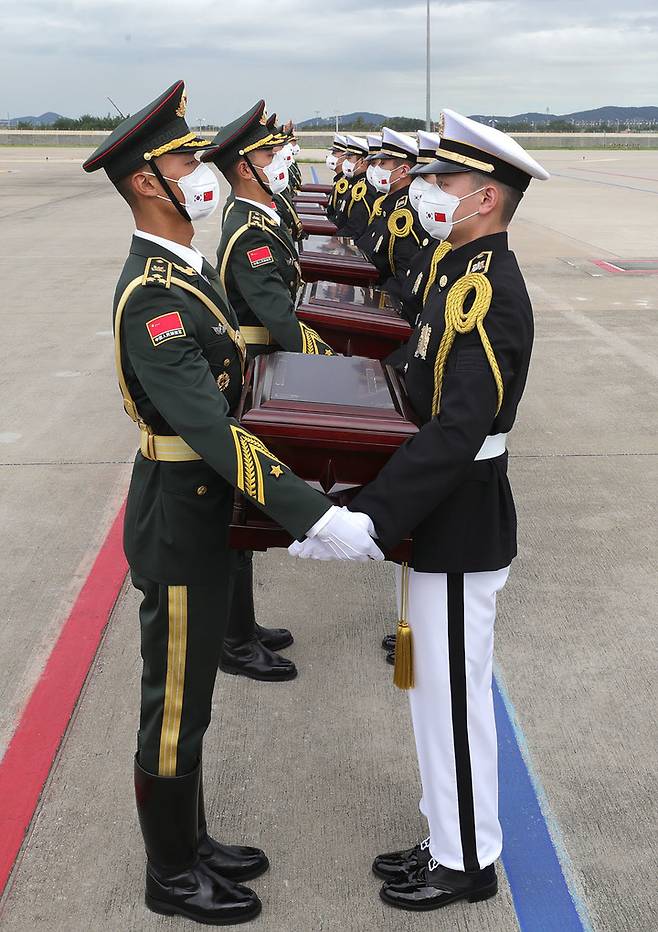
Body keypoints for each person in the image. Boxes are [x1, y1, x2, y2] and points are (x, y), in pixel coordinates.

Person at [82, 79, 383, 926]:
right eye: (182, 157)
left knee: (195, 696)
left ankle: (194, 841)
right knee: (175, 699)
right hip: (178, 516)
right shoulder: (152, 297)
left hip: (202, 508)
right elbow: (214, 431)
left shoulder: (181, 273)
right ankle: (169, 877)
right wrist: (312, 512)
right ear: (148, 181)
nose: (199, 168)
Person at [291, 108, 549, 912]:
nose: (429, 190)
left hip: (463, 524)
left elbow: (459, 429)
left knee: (456, 701)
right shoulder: (453, 271)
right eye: (430, 176)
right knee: (429, 692)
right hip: (436, 521)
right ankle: (445, 832)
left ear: (485, 200)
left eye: (445, 180)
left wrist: (370, 517)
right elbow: (410, 373)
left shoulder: (491, 294)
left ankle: (469, 862)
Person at [202, 100, 335, 682]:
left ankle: (243, 625)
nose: (280, 160)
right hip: (255, 368)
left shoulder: (258, 219)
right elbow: (280, 317)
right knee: (239, 507)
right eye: (267, 154)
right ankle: (232, 640)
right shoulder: (249, 230)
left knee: (245, 510)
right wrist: (335, 367)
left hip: (262, 363)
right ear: (243, 167)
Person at [356, 127, 428, 295]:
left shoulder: (404, 217)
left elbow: (404, 278)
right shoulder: (386, 205)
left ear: (403, 171)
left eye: (383, 164)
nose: (376, 168)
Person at [335, 134, 377, 240]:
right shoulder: (354, 184)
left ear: (362, 161)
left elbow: (354, 231)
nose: (345, 161)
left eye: (349, 157)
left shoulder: (362, 191)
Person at [325, 133, 350, 222]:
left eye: (334, 153)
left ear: (345, 157)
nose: (330, 156)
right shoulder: (340, 180)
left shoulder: (345, 184)